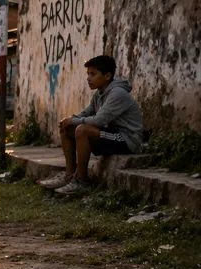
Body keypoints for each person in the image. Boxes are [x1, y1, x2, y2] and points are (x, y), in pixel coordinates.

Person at [39, 55, 144, 195]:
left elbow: (99, 120)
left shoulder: (117, 93)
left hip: (126, 139)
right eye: (88, 74)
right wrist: (69, 120)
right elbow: (86, 113)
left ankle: (82, 181)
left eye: (93, 74)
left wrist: (74, 121)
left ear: (107, 75)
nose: (88, 78)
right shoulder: (99, 94)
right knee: (67, 128)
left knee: (82, 130)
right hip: (111, 135)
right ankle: (69, 175)